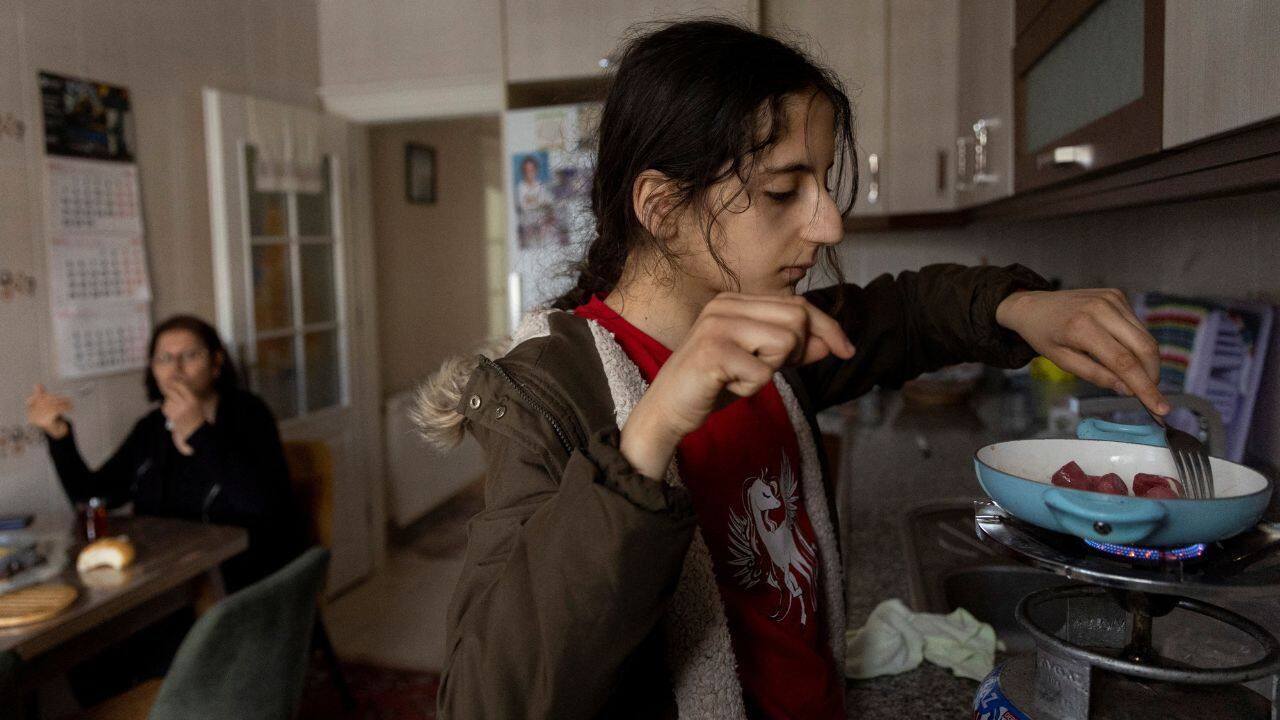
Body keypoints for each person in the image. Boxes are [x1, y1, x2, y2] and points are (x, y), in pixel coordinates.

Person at [417, 20, 1167, 720]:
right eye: (784, 190)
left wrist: (1020, 307)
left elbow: (904, 313)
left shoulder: (772, 335)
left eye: (823, 183)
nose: (828, 224)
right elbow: (486, 697)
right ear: (662, 206)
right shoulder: (548, 391)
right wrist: (655, 424)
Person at [26, 315, 301, 593]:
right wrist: (59, 435)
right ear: (153, 370)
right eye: (164, 359)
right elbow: (92, 499)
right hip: (168, 579)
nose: (176, 369)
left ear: (216, 363)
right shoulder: (150, 429)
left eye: (190, 355)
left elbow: (263, 504)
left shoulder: (249, 413)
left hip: (246, 577)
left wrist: (197, 431)